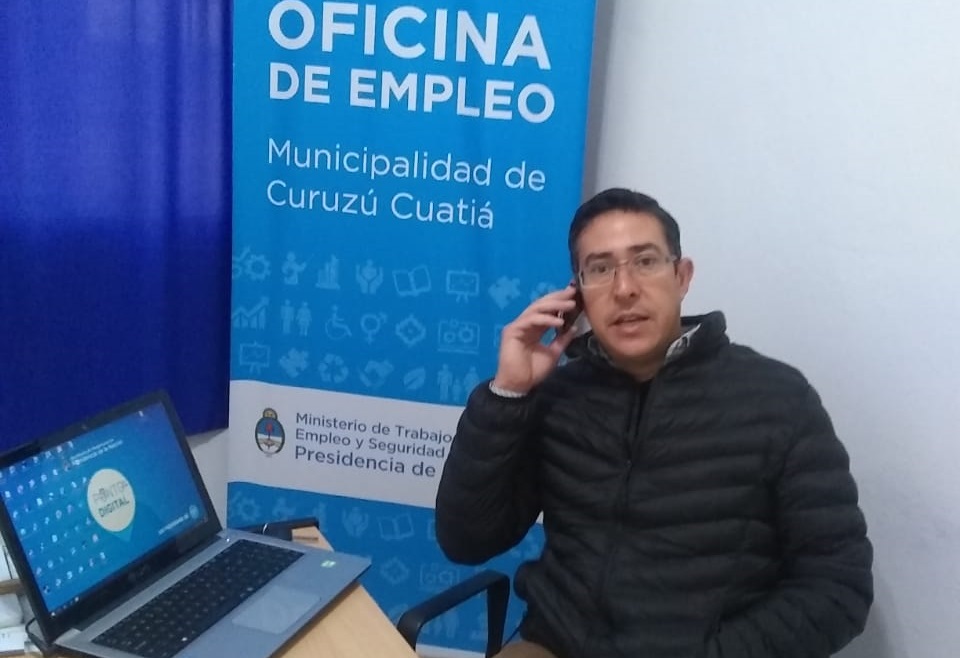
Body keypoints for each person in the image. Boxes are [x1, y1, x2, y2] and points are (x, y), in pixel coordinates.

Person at [434, 188, 873, 658]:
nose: (624, 288)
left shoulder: (777, 399)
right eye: (600, 269)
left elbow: (838, 587)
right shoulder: (560, 397)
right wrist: (507, 395)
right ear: (577, 295)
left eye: (645, 262)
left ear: (681, 277)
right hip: (557, 646)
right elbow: (466, 541)